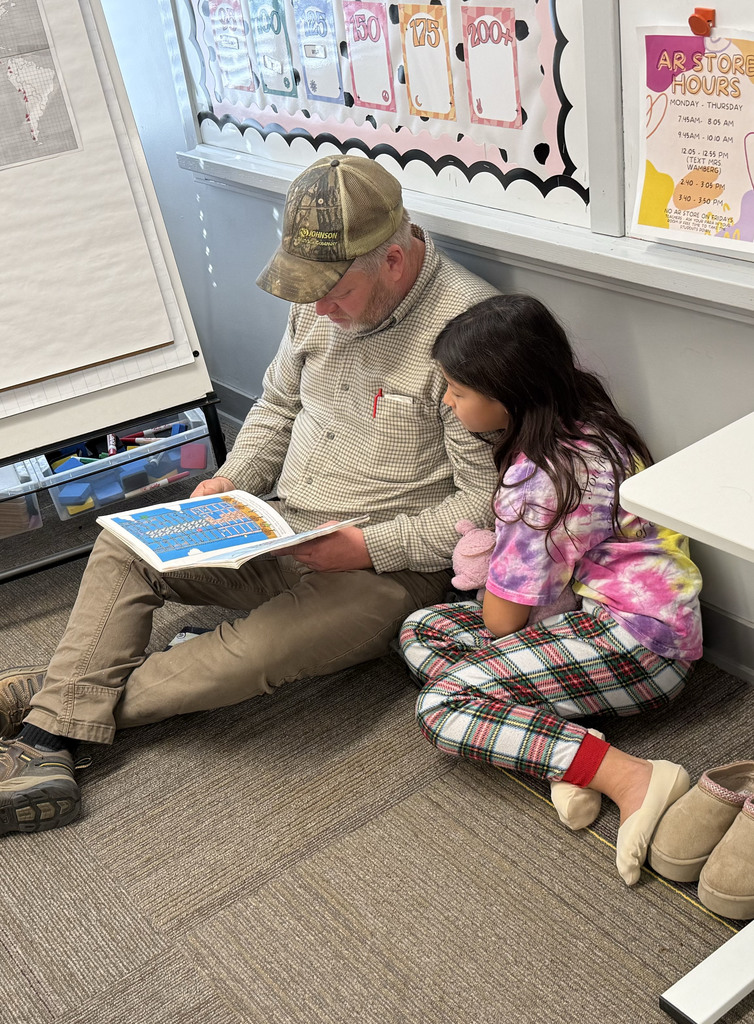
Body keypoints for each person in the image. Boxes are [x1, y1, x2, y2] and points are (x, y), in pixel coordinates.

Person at [0, 155, 501, 835]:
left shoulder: (469, 332)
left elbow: (482, 509)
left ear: (391, 261)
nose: (318, 307)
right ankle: (59, 717)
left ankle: (51, 720)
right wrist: (230, 482)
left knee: (252, 653)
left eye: (335, 291)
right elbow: (276, 407)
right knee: (123, 544)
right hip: (276, 527)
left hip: (384, 569)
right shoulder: (318, 304)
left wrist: (366, 546)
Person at [399, 294, 703, 885]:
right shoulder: (588, 414)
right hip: (630, 620)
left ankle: (628, 775)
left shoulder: (540, 483)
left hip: (638, 647)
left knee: (441, 705)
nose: (446, 401)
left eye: (458, 392)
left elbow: (502, 623)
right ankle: (572, 751)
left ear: (505, 393)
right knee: (423, 629)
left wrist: (493, 564)